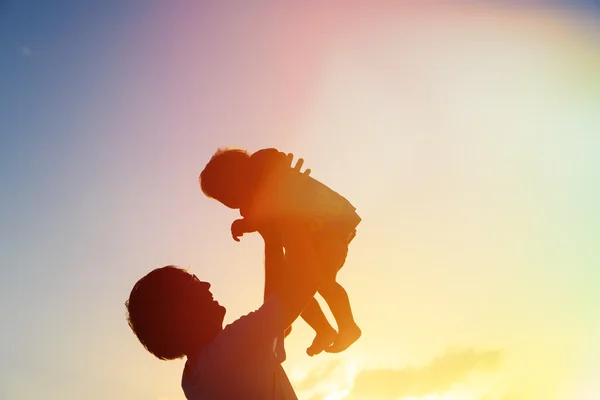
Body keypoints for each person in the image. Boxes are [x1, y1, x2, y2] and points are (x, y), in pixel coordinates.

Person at [125, 221, 322, 399]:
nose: (206, 285)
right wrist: (289, 210)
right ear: (178, 313)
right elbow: (307, 278)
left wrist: (271, 239)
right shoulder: (231, 351)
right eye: (192, 282)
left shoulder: (193, 379)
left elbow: (271, 310)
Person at [199, 147, 362, 355]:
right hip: (312, 239)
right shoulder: (252, 206)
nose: (230, 202)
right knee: (290, 286)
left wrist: (250, 220)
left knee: (322, 280)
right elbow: (266, 236)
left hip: (331, 223)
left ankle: (348, 326)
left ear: (240, 172)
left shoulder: (262, 165)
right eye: (224, 200)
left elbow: (274, 162)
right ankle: (323, 329)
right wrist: (244, 224)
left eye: (227, 192)